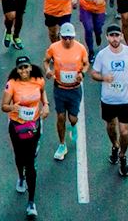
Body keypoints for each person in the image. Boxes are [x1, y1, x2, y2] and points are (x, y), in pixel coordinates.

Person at [0, 56, 48, 218]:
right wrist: (13, 107)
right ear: (17, 70)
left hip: (33, 125)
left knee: (30, 163)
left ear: (30, 67)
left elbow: (43, 94)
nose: (24, 71)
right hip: (17, 126)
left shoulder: (38, 80)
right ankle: (20, 177)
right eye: (20, 68)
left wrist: (46, 106)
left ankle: (31, 202)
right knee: (19, 157)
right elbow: (3, 106)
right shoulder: (12, 84)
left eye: (26, 67)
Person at [91, 25, 128, 178]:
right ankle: (115, 146)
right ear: (107, 37)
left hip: (125, 99)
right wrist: (103, 78)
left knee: (125, 131)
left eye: (117, 35)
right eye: (111, 35)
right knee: (111, 126)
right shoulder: (102, 55)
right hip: (108, 99)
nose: (114, 38)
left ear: (121, 36)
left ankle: (122, 156)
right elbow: (93, 73)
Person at [43, 22, 88, 162]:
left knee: (72, 118)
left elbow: (86, 64)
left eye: (70, 37)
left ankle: (74, 126)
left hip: (74, 89)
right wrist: (48, 70)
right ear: (60, 36)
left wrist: (83, 74)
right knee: (61, 116)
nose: (68, 40)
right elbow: (46, 61)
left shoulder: (80, 49)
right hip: (60, 88)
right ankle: (62, 144)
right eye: (65, 37)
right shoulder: (53, 48)